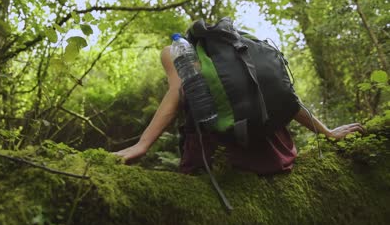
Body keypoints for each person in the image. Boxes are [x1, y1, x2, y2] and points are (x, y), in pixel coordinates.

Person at [114, 45, 364, 175]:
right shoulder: (243, 47)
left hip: (218, 163)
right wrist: (327, 132)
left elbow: (177, 93)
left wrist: (142, 145)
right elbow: (283, 96)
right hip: (278, 156)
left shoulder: (174, 51)